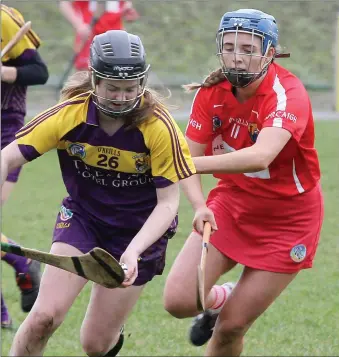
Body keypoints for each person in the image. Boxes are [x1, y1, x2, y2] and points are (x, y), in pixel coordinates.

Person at [2, 29, 195, 356]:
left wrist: (133, 251)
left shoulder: (158, 126)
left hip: (139, 232)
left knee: (94, 345)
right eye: (112, 89)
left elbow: (168, 204)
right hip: (84, 219)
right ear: (94, 80)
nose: (121, 98)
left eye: (130, 89)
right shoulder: (69, 114)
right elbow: (6, 157)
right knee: (43, 318)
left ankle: (110, 334)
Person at [163, 8, 324, 356]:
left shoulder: (287, 93)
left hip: (289, 219)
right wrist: (199, 205)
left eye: (248, 49)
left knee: (231, 328)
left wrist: (185, 163)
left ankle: (226, 309)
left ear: (269, 53)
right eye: (230, 46)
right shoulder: (211, 93)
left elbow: (260, 156)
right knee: (178, 302)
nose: (237, 56)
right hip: (232, 204)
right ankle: (218, 298)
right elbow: (188, 159)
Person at [1, 4, 49, 329]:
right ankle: (23, 262)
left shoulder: (5, 20)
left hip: (4, 129)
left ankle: (23, 262)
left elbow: (39, 72)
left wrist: (5, 72)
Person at [59, 0, 140, 71]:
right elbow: (64, 3)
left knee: (116, 72)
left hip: (116, 36)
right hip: (89, 36)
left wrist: (127, 10)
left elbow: (125, 4)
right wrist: (79, 25)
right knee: (85, 75)